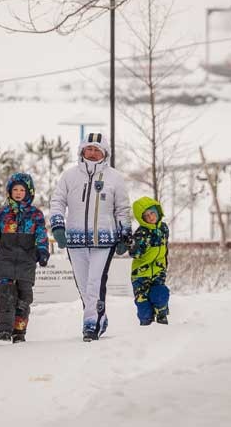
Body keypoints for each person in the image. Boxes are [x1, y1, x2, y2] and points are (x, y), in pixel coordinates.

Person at [49, 133, 131, 342]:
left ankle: (90, 324)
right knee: (84, 285)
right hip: (75, 240)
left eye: (97, 150)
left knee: (95, 283)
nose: (93, 153)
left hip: (104, 240)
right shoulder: (69, 176)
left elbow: (122, 209)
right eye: (89, 149)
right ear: (82, 150)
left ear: (105, 153)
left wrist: (124, 235)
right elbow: (57, 201)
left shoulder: (115, 178)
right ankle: (99, 316)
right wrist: (58, 225)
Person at [0, 172, 49, 343]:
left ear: (29, 192)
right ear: (9, 191)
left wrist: (43, 252)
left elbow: (42, 235)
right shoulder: (2, 213)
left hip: (26, 262)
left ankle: (19, 332)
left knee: (24, 298)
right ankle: (5, 331)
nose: (19, 192)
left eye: (22, 189)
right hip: (6, 259)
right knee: (5, 294)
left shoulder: (36, 215)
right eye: (15, 189)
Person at [127, 196, 170, 325]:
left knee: (160, 293)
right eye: (146, 215)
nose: (151, 217)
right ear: (142, 219)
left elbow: (164, 248)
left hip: (158, 269)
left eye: (152, 213)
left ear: (157, 211)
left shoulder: (164, 229)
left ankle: (162, 315)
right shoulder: (141, 233)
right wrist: (134, 245)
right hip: (141, 274)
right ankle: (146, 326)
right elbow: (135, 254)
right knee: (143, 307)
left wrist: (164, 265)